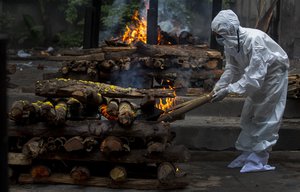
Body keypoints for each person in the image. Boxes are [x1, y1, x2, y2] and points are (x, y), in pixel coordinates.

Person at [211, 10, 289, 173]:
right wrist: (219, 86)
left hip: (274, 74)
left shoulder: (255, 39)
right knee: (249, 113)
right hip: (260, 75)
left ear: (231, 29)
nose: (218, 37)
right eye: (217, 34)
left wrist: (229, 90)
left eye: (221, 33)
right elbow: (231, 68)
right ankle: (248, 153)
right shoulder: (230, 42)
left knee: (265, 114)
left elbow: (254, 77)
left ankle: (259, 158)